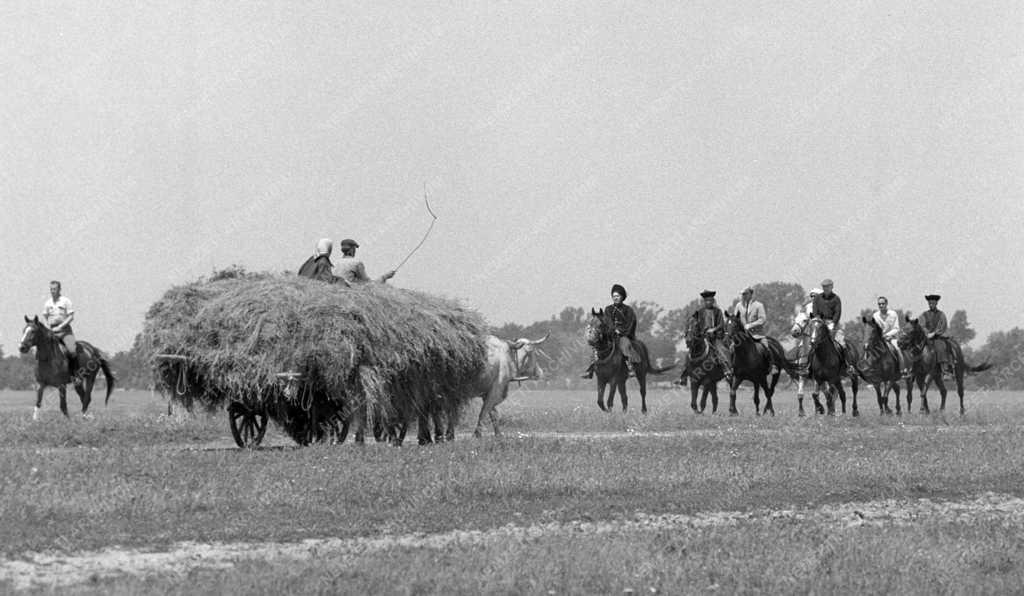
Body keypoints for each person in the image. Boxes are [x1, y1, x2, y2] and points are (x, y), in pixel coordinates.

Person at [581, 284, 640, 378]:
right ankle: (590, 370)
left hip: (623, 334)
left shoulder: (628, 310)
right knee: (596, 346)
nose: (615, 298)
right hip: (610, 333)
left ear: (622, 297)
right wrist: (609, 331)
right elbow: (607, 322)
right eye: (614, 296)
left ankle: (630, 368)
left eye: (617, 296)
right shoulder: (608, 309)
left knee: (624, 345)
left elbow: (631, 323)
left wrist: (621, 331)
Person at [733, 286, 777, 376]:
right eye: (742, 294)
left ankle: (772, 367)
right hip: (743, 336)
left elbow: (762, 319)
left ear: (751, 294)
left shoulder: (758, 305)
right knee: (731, 348)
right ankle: (731, 368)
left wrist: (750, 325)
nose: (743, 296)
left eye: (745, 294)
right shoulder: (738, 306)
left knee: (766, 348)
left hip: (757, 335)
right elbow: (735, 319)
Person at [42, 280, 80, 384]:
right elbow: (45, 317)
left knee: (72, 350)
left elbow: (71, 316)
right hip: (52, 331)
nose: (52, 291)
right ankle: (42, 375)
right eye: (51, 289)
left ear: (59, 289)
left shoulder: (65, 301)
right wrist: (47, 327)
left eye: (54, 289)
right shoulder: (47, 303)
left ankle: (75, 375)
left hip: (65, 330)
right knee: (41, 351)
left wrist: (60, 326)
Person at [692, 290, 732, 378]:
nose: (708, 302)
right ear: (704, 301)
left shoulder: (718, 311)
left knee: (720, 350)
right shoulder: (700, 312)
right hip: (703, 337)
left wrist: (713, 330)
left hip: (715, 337)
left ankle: (726, 369)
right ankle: (685, 374)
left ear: (713, 301)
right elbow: (696, 324)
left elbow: (721, 324)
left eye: (710, 300)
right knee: (692, 351)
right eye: (706, 300)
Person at [872, 296, 908, 375]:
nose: (881, 305)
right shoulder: (875, 316)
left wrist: (887, 335)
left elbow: (896, 328)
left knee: (898, 349)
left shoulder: (893, 314)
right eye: (879, 304)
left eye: (883, 304)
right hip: (879, 339)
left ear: (886, 304)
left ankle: (903, 369)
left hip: (891, 338)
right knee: (868, 348)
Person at [920, 294, 952, 375]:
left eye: (933, 303)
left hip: (938, 337)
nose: (931, 305)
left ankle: (944, 369)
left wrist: (934, 333)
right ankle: (911, 369)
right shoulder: (924, 314)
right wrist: (927, 333)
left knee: (940, 347)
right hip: (926, 336)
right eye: (929, 303)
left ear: (936, 304)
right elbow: (922, 325)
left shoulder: (941, 314)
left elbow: (943, 326)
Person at [812, 278, 844, 343]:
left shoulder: (836, 299)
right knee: (812, 338)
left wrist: (833, 323)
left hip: (832, 323)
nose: (825, 288)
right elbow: (814, 311)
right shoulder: (817, 298)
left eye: (827, 286)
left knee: (842, 343)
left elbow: (838, 312)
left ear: (832, 287)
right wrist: (817, 319)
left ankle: (844, 352)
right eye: (824, 287)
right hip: (819, 322)